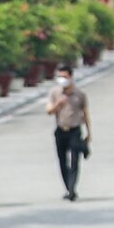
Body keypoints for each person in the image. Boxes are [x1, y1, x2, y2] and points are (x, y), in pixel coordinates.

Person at [44, 66, 90, 202]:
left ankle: (72, 189)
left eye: (64, 77)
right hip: (60, 130)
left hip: (74, 130)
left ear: (71, 77)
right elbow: (49, 111)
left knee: (75, 160)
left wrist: (89, 133)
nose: (62, 80)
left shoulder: (79, 94)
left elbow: (85, 113)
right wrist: (58, 103)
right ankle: (67, 187)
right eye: (60, 77)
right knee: (62, 161)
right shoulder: (55, 93)